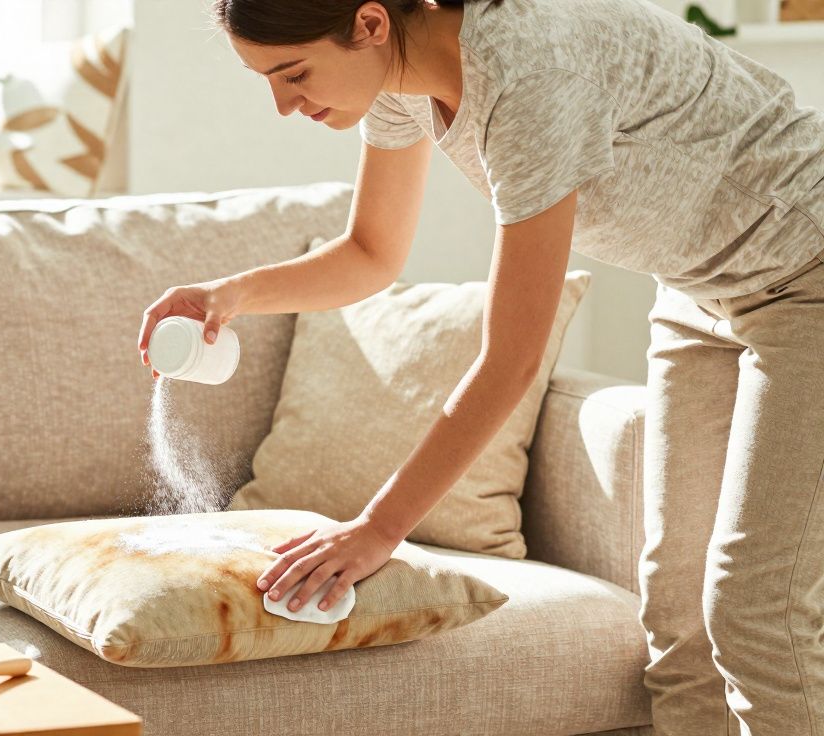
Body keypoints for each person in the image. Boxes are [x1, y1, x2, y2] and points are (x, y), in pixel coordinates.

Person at [134, 0, 824, 732]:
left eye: (294, 72)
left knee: (756, 613)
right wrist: (231, 295)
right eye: (267, 79)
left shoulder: (527, 70)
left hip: (808, 273)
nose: (283, 104)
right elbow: (372, 252)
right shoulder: (400, 79)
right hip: (698, 292)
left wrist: (377, 528)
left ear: (369, 24)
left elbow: (512, 359)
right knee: (678, 619)